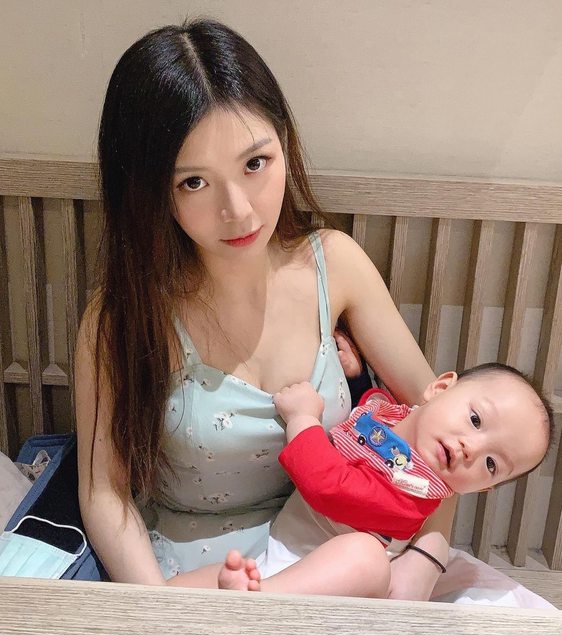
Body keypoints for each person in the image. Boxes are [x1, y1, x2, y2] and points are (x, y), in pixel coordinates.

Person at [75, 18, 453, 596]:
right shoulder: (124, 318)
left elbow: (443, 424)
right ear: (148, 190)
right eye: (194, 183)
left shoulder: (335, 265)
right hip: (193, 583)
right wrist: (159, 614)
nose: (240, 211)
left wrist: (423, 565)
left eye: (255, 164)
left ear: (284, 144)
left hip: (333, 575)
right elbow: (104, 492)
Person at [170, 362, 552, 595]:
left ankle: (262, 603)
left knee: (367, 558)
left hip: (335, 590)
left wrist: (303, 419)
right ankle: (234, 598)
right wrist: (354, 374)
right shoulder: (390, 416)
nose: (472, 448)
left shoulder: (416, 493)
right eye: (476, 420)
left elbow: (329, 486)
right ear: (439, 388)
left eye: (491, 464)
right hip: (276, 556)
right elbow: (363, 420)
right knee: (177, 592)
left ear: (484, 488)